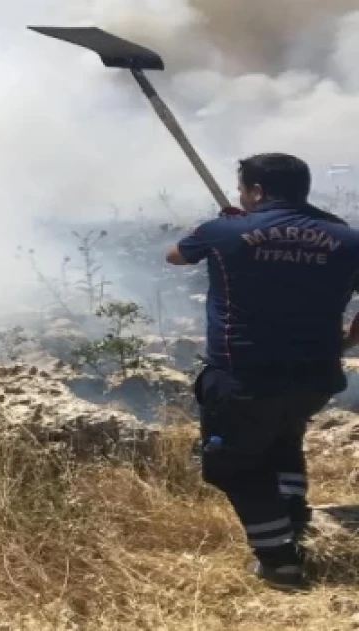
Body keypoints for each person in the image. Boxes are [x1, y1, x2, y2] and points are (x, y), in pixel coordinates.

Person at [165, 152, 359, 590]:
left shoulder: (225, 230)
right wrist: (346, 340)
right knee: (282, 441)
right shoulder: (347, 238)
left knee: (232, 466)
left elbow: (176, 256)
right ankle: (293, 522)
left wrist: (232, 224)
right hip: (315, 377)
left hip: (244, 376)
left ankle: (280, 563)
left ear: (255, 190)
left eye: (242, 190)